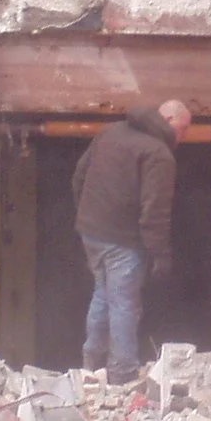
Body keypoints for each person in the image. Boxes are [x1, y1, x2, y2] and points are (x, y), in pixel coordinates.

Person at [72, 99, 192, 383]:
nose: (184, 138)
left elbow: (79, 175)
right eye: (184, 129)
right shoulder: (158, 154)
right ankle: (123, 372)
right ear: (170, 119)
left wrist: (88, 215)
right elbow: (154, 211)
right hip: (121, 239)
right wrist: (160, 254)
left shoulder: (111, 131)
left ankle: (92, 365)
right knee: (125, 303)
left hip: (92, 232)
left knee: (104, 292)